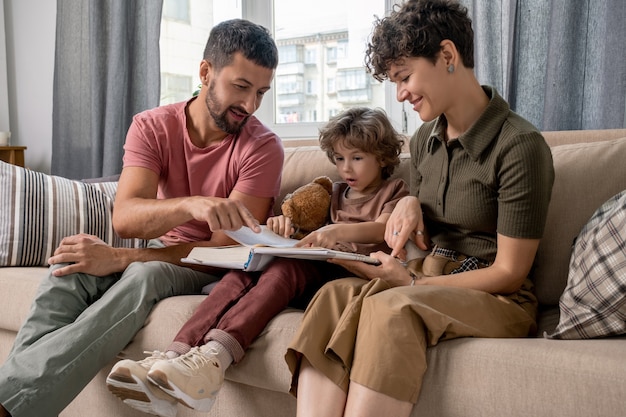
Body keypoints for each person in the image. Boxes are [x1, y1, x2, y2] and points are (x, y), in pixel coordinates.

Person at [284, 1, 556, 417]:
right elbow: (422, 226)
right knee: (333, 296)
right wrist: (410, 202)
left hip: (498, 298)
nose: (400, 94)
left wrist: (410, 286)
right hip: (427, 274)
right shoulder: (426, 137)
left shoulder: (519, 146)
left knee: (390, 308)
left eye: (405, 77)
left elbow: (509, 272)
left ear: (447, 56)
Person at [0, 19, 283, 417]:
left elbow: (227, 249)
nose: (251, 105)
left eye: (261, 93)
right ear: (206, 73)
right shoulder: (152, 126)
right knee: (73, 264)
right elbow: (127, 219)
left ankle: (11, 403)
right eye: (241, 87)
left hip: (217, 266)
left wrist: (122, 258)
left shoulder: (263, 147)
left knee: (143, 275)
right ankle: (13, 397)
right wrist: (191, 205)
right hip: (165, 249)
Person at [105, 106, 410, 417]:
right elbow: (299, 220)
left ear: (382, 157)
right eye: (340, 158)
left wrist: (337, 231)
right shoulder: (333, 192)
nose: (347, 168)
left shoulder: (393, 191)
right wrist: (282, 226)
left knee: (285, 270)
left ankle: (215, 357)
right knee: (241, 274)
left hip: (345, 275)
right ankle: (173, 360)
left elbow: (384, 228)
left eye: (357, 158)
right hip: (311, 264)